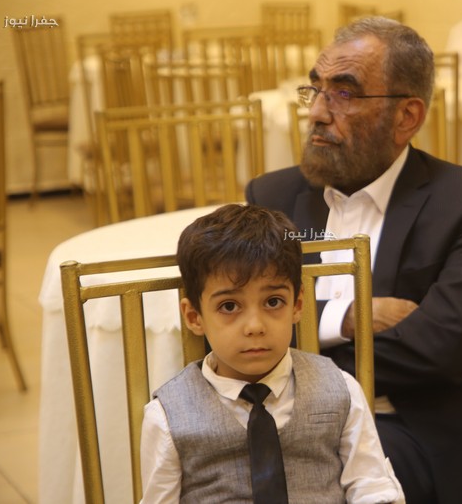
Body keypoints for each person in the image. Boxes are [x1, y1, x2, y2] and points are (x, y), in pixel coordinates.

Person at [245, 17, 462, 503]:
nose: (317, 113)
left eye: (344, 93)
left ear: (406, 117)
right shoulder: (273, 197)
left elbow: (441, 349)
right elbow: (237, 328)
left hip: (413, 428)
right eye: (315, 89)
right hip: (293, 427)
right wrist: (346, 318)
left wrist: (293, 360)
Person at [138, 203, 404, 503]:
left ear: (297, 305)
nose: (255, 326)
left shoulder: (341, 389)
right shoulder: (167, 415)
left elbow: (371, 486)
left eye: (273, 302)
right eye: (229, 306)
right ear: (194, 316)